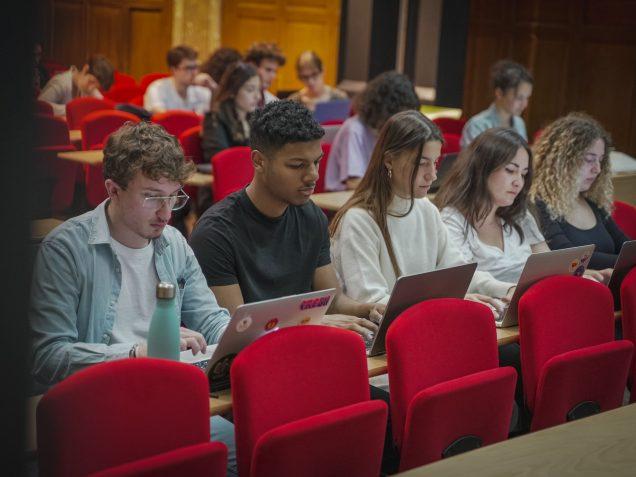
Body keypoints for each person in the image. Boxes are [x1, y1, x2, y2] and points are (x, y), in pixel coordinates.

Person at [29, 121, 237, 474]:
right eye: (153, 196)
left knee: (247, 446)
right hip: (98, 407)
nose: (167, 212)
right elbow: (48, 357)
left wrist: (249, 334)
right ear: (113, 190)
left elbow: (211, 319)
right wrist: (137, 353)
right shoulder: (65, 250)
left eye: (174, 196)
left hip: (167, 397)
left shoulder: (174, 243)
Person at [190, 100, 381, 337]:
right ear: (259, 161)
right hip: (252, 361)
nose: (313, 175)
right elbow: (237, 331)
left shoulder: (312, 216)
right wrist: (308, 324)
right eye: (297, 165)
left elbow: (332, 302)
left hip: (302, 346)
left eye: (317, 162)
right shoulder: (215, 233)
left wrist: (372, 310)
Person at [330, 111, 514, 311]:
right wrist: (451, 301)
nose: (433, 176)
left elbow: (458, 272)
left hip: (426, 323)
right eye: (422, 164)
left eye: (435, 163)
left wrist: (506, 289)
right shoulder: (359, 220)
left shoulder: (426, 209)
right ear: (389, 160)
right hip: (387, 336)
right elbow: (372, 301)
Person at [530, 112, 629, 272]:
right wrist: (623, 263)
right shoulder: (539, 203)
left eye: (600, 160)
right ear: (562, 161)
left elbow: (626, 247)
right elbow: (568, 256)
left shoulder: (592, 203)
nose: (597, 169)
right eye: (589, 160)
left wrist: (625, 261)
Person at [325, 71, 420, 191]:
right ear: (382, 110)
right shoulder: (354, 130)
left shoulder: (387, 131)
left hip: (375, 200)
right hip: (343, 202)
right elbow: (353, 183)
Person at [460, 60, 533, 149]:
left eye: (527, 98)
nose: (525, 104)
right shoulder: (477, 125)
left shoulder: (519, 123)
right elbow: (472, 162)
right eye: (519, 98)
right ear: (499, 93)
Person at [201, 61, 261, 161]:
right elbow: (219, 160)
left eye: (258, 90)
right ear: (233, 91)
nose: (257, 96)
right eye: (250, 90)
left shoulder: (254, 118)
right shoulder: (214, 119)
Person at [144, 45, 211, 115]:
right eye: (188, 68)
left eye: (196, 67)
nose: (195, 73)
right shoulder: (157, 88)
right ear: (173, 70)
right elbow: (162, 118)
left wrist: (212, 87)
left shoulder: (201, 90)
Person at [38, 54, 114, 116]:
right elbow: (39, 106)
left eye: (97, 87)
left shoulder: (89, 87)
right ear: (85, 69)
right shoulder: (62, 82)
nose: (91, 89)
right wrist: (74, 109)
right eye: (91, 82)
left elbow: (103, 103)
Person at [244, 42, 285, 106]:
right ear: (252, 66)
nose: (273, 76)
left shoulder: (275, 103)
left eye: (275, 71)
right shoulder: (239, 101)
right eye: (268, 70)